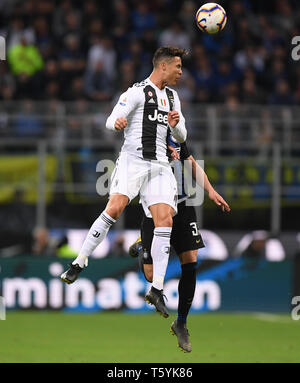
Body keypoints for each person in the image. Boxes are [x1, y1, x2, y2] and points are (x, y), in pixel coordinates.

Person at [61, 46, 188, 318]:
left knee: (164, 220)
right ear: (163, 66)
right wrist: (116, 123)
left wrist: (176, 126)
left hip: (160, 166)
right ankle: (79, 261)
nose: (180, 72)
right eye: (177, 66)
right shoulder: (136, 92)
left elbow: (182, 134)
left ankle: (156, 289)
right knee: (115, 208)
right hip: (133, 161)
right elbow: (110, 120)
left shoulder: (173, 98)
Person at [129, 138, 230, 352]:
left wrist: (210, 191)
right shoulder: (144, 133)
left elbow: (191, 162)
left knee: (191, 260)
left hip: (183, 206)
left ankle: (181, 323)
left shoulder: (175, 135)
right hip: (156, 206)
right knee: (150, 275)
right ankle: (142, 243)